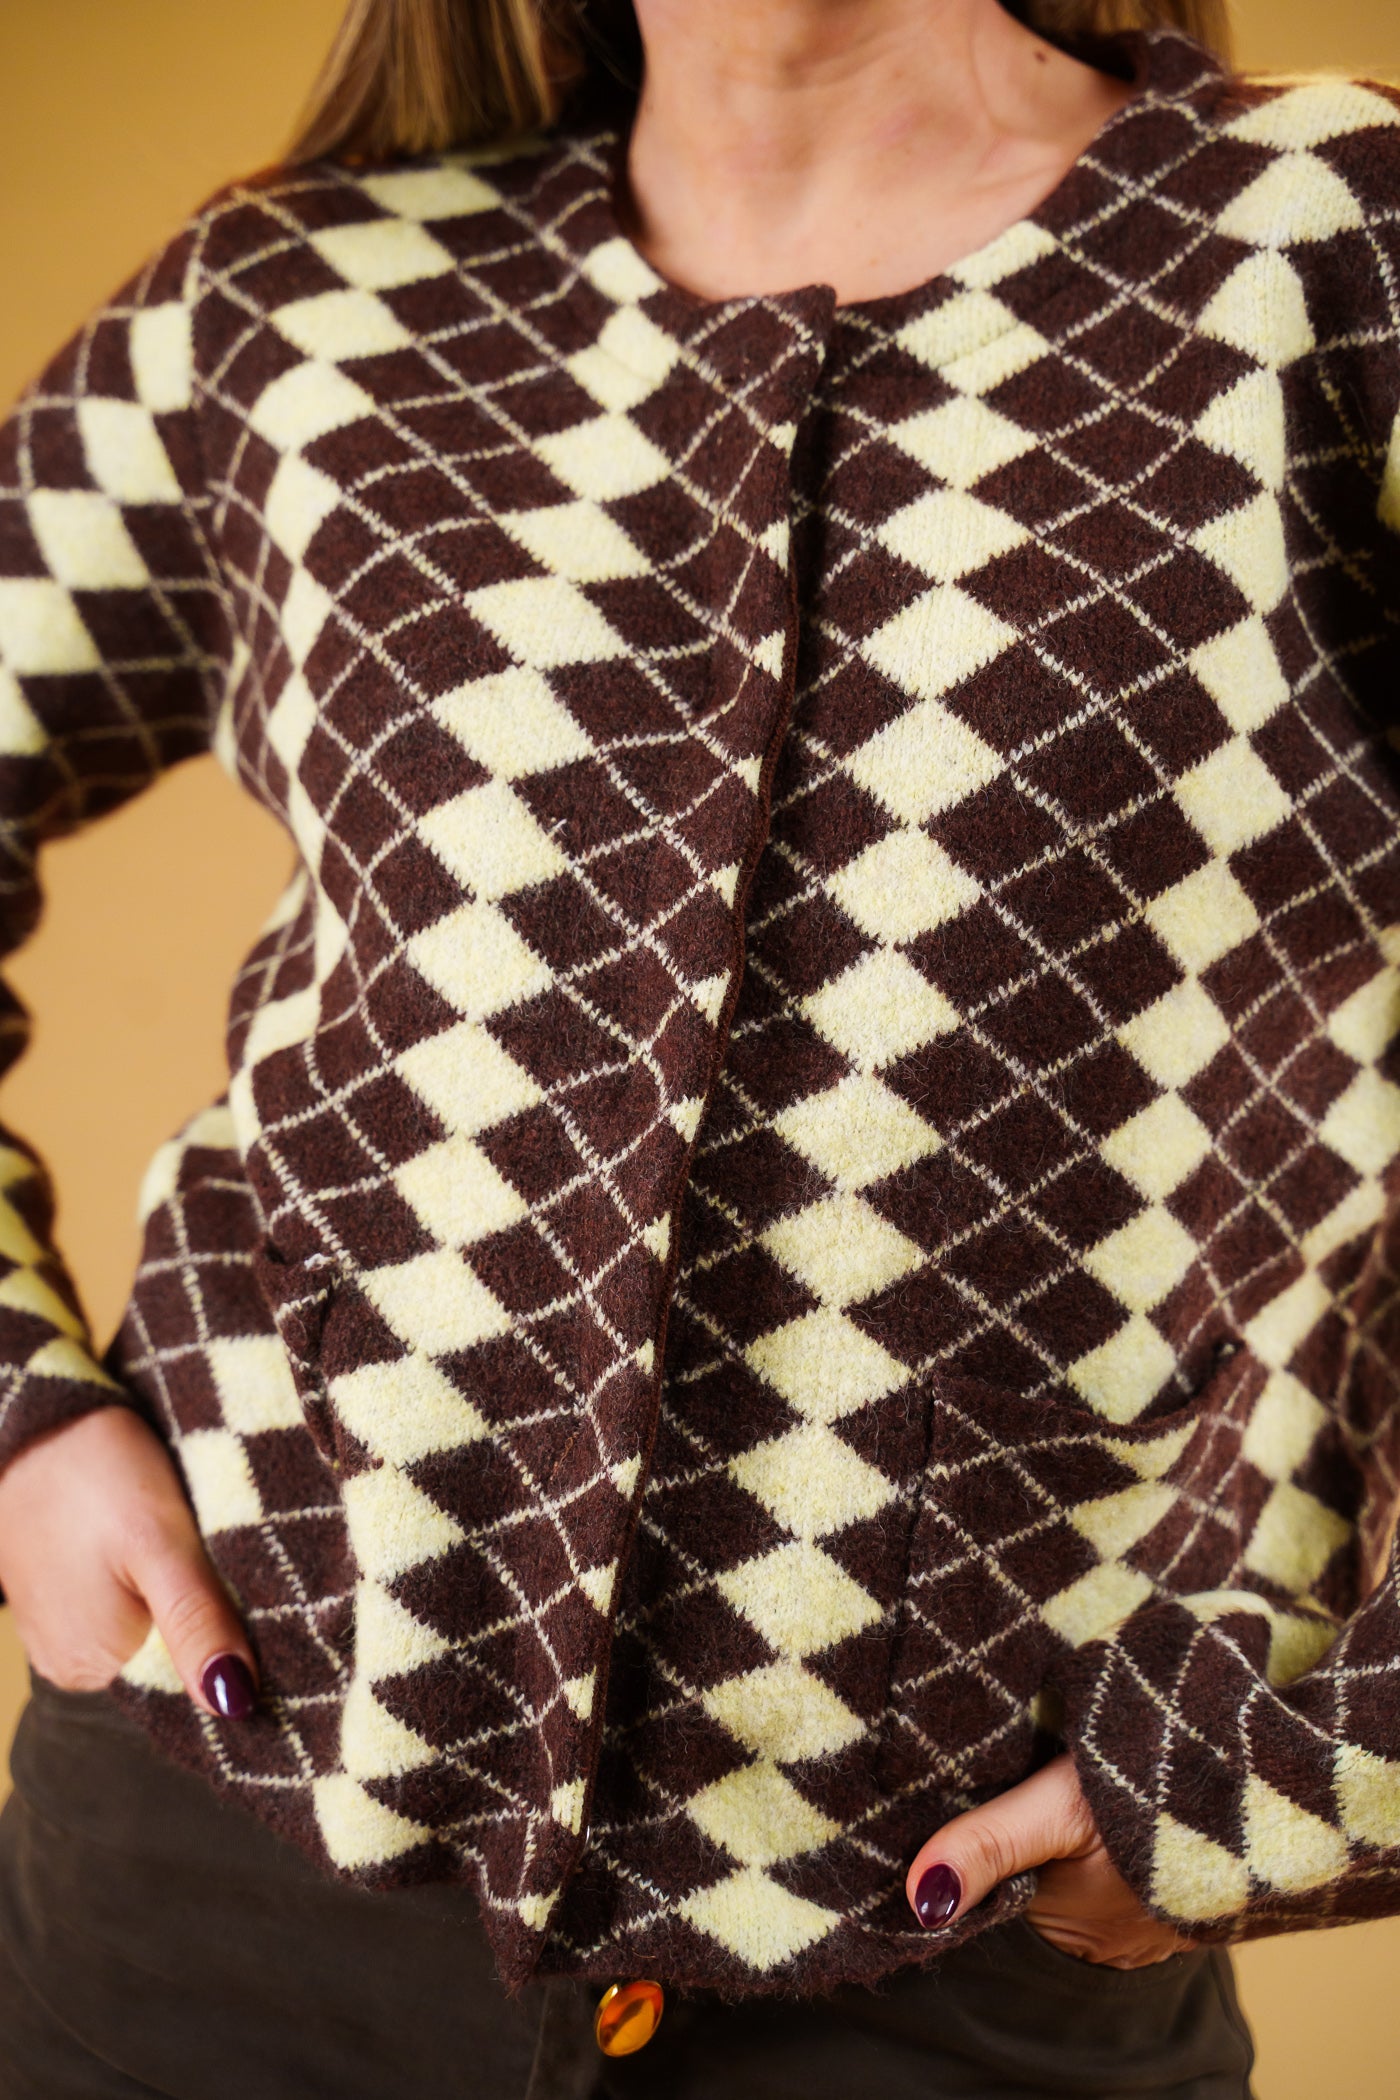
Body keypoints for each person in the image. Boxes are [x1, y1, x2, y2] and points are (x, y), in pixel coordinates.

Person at [0, 0, 1397, 2087]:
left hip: (957, 1956)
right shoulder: (295, 310)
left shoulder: (1327, 247)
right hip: (211, 1884)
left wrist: (1313, 1779)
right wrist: (19, 1413)